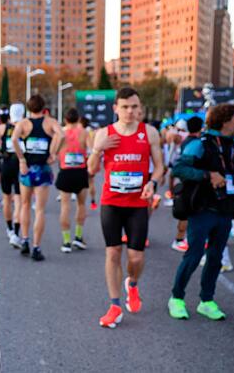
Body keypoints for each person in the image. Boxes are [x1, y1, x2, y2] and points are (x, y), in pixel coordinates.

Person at [88, 87, 164, 329]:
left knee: (136, 257)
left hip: (138, 203)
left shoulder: (149, 132)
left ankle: (132, 283)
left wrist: (152, 182)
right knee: (112, 253)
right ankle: (114, 305)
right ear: (116, 108)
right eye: (125, 107)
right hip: (111, 202)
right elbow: (91, 169)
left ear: (139, 107)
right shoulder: (104, 133)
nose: (131, 111)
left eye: (134, 107)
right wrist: (98, 149)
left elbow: (160, 167)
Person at [167, 104, 234, 321]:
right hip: (202, 210)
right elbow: (179, 168)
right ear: (225, 121)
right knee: (194, 255)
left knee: (216, 257)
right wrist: (208, 175)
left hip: (225, 210)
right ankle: (176, 298)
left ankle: (207, 300)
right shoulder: (201, 145)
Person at [11, 94, 63, 261]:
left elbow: (14, 138)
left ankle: (25, 240)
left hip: (27, 168)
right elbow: (60, 135)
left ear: (29, 108)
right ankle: (36, 247)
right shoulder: (50, 122)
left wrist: (21, 159)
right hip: (43, 169)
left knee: (25, 205)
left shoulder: (23, 123)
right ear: (43, 107)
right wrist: (53, 153)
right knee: (39, 209)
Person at [54, 108, 90, 253]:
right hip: (80, 171)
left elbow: (54, 152)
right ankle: (78, 237)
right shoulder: (84, 132)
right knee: (81, 205)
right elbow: (92, 150)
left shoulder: (60, 133)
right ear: (78, 119)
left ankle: (66, 241)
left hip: (66, 171)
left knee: (65, 206)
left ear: (65, 120)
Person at [0, 104, 24, 248]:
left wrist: (3, 151)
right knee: (18, 199)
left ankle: (10, 229)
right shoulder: (25, 127)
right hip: (19, 164)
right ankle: (16, 234)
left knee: (6, 198)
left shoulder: (2, 128)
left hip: (6, 164)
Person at [170, 116, 204, 252]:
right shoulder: (193, 143)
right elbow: (177, 167)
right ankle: (179, 240)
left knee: (188, 213)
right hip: (189, 184)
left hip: (187, 183)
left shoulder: (187, 141)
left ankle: (183, 239)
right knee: (187, 213)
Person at [80, 117, 99, 210]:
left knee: (83, 182)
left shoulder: (82, 132)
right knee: (91, 182)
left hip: (84, 158)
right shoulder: (92, 131)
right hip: (90, 157)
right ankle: (93, 201)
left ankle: (82, 204)